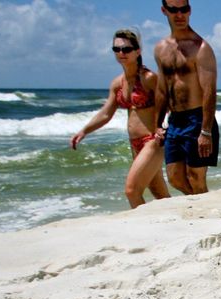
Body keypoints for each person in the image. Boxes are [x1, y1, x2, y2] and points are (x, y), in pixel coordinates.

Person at [71, 29, 170, 208]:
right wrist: (84, 131)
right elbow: (106, 113)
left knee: (132, 190)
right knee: (158, 191)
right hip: (134, 143)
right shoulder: (118, 83)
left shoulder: (149, 78)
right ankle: (178, 223)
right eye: (116, 49)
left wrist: (161, 128)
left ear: (137, 51)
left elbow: (167, 104)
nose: (121, 53)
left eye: (126, 49)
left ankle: (142, 228)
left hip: (152, 142)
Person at [154, 0, 219, 195]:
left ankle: (204, 219)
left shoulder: (200, 47)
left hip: (197, 118)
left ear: (189, 10)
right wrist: (157, 124)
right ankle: (201, 208)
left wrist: (205, 131)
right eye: (173, 10)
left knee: (196, 177)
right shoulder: (160, 48)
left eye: (183, 9)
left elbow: (209, 91)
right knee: (175, 178)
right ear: (164, 11)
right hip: (175, 120)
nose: (179, 14)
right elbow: (162, 88)